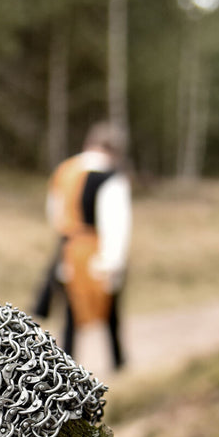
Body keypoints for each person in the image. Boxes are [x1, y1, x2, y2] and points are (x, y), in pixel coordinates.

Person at [34, 121, 132, 369]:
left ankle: (65, 368)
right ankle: (117, 364)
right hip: (93, 250)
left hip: (67, 249)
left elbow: (54, 213)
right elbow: (116, 224)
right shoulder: (110, 179)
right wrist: (113, 260)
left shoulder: (65, 170)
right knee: (108, 309)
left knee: (70, 312)